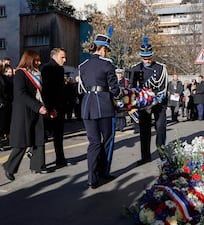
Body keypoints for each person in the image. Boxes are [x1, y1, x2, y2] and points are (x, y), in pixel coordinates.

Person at [78, 26, 121, 189]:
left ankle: (91, 178)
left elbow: (82, 88)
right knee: (108, 140)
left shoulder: (83, 65)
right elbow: (115, 89)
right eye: (107, 50)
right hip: (104, 106)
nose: (107, 53)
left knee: (93, 143)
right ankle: (103, 172)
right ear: (102, 49)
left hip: (87, 106)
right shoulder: (107, 65)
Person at [2, 50, 49, 181]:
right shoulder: (20, 74)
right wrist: (38, 107)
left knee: (38, 138)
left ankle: (38, 165)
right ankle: (9, 167)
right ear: (29, 60)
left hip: (36, 110)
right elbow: (21, 94)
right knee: (22, 143)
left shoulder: (37, 74)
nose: (39, 63)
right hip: (24, 112)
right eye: (36, 60)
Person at [129, 36, 168, 165]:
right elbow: (132, 88)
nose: (147, 60)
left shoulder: (161, 68)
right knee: (144, 130)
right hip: (143, 105)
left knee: (160, 127)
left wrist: (153, 100)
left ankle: (162, 154)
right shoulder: (135, 69)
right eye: (145, 58)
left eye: (149, 57)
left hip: (158, 103)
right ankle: (145, 156)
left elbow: (163, 88)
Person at [41, 48, 69, 168]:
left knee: (58, 135)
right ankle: (38, 160)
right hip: (52, 107)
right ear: (55, 56)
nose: (65, 60)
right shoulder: (48, 68)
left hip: (59, 107)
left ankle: (60, 159)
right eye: (62, 57)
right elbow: (47, 90)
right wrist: (51, 108)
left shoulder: (59, 69)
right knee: (45, 135)